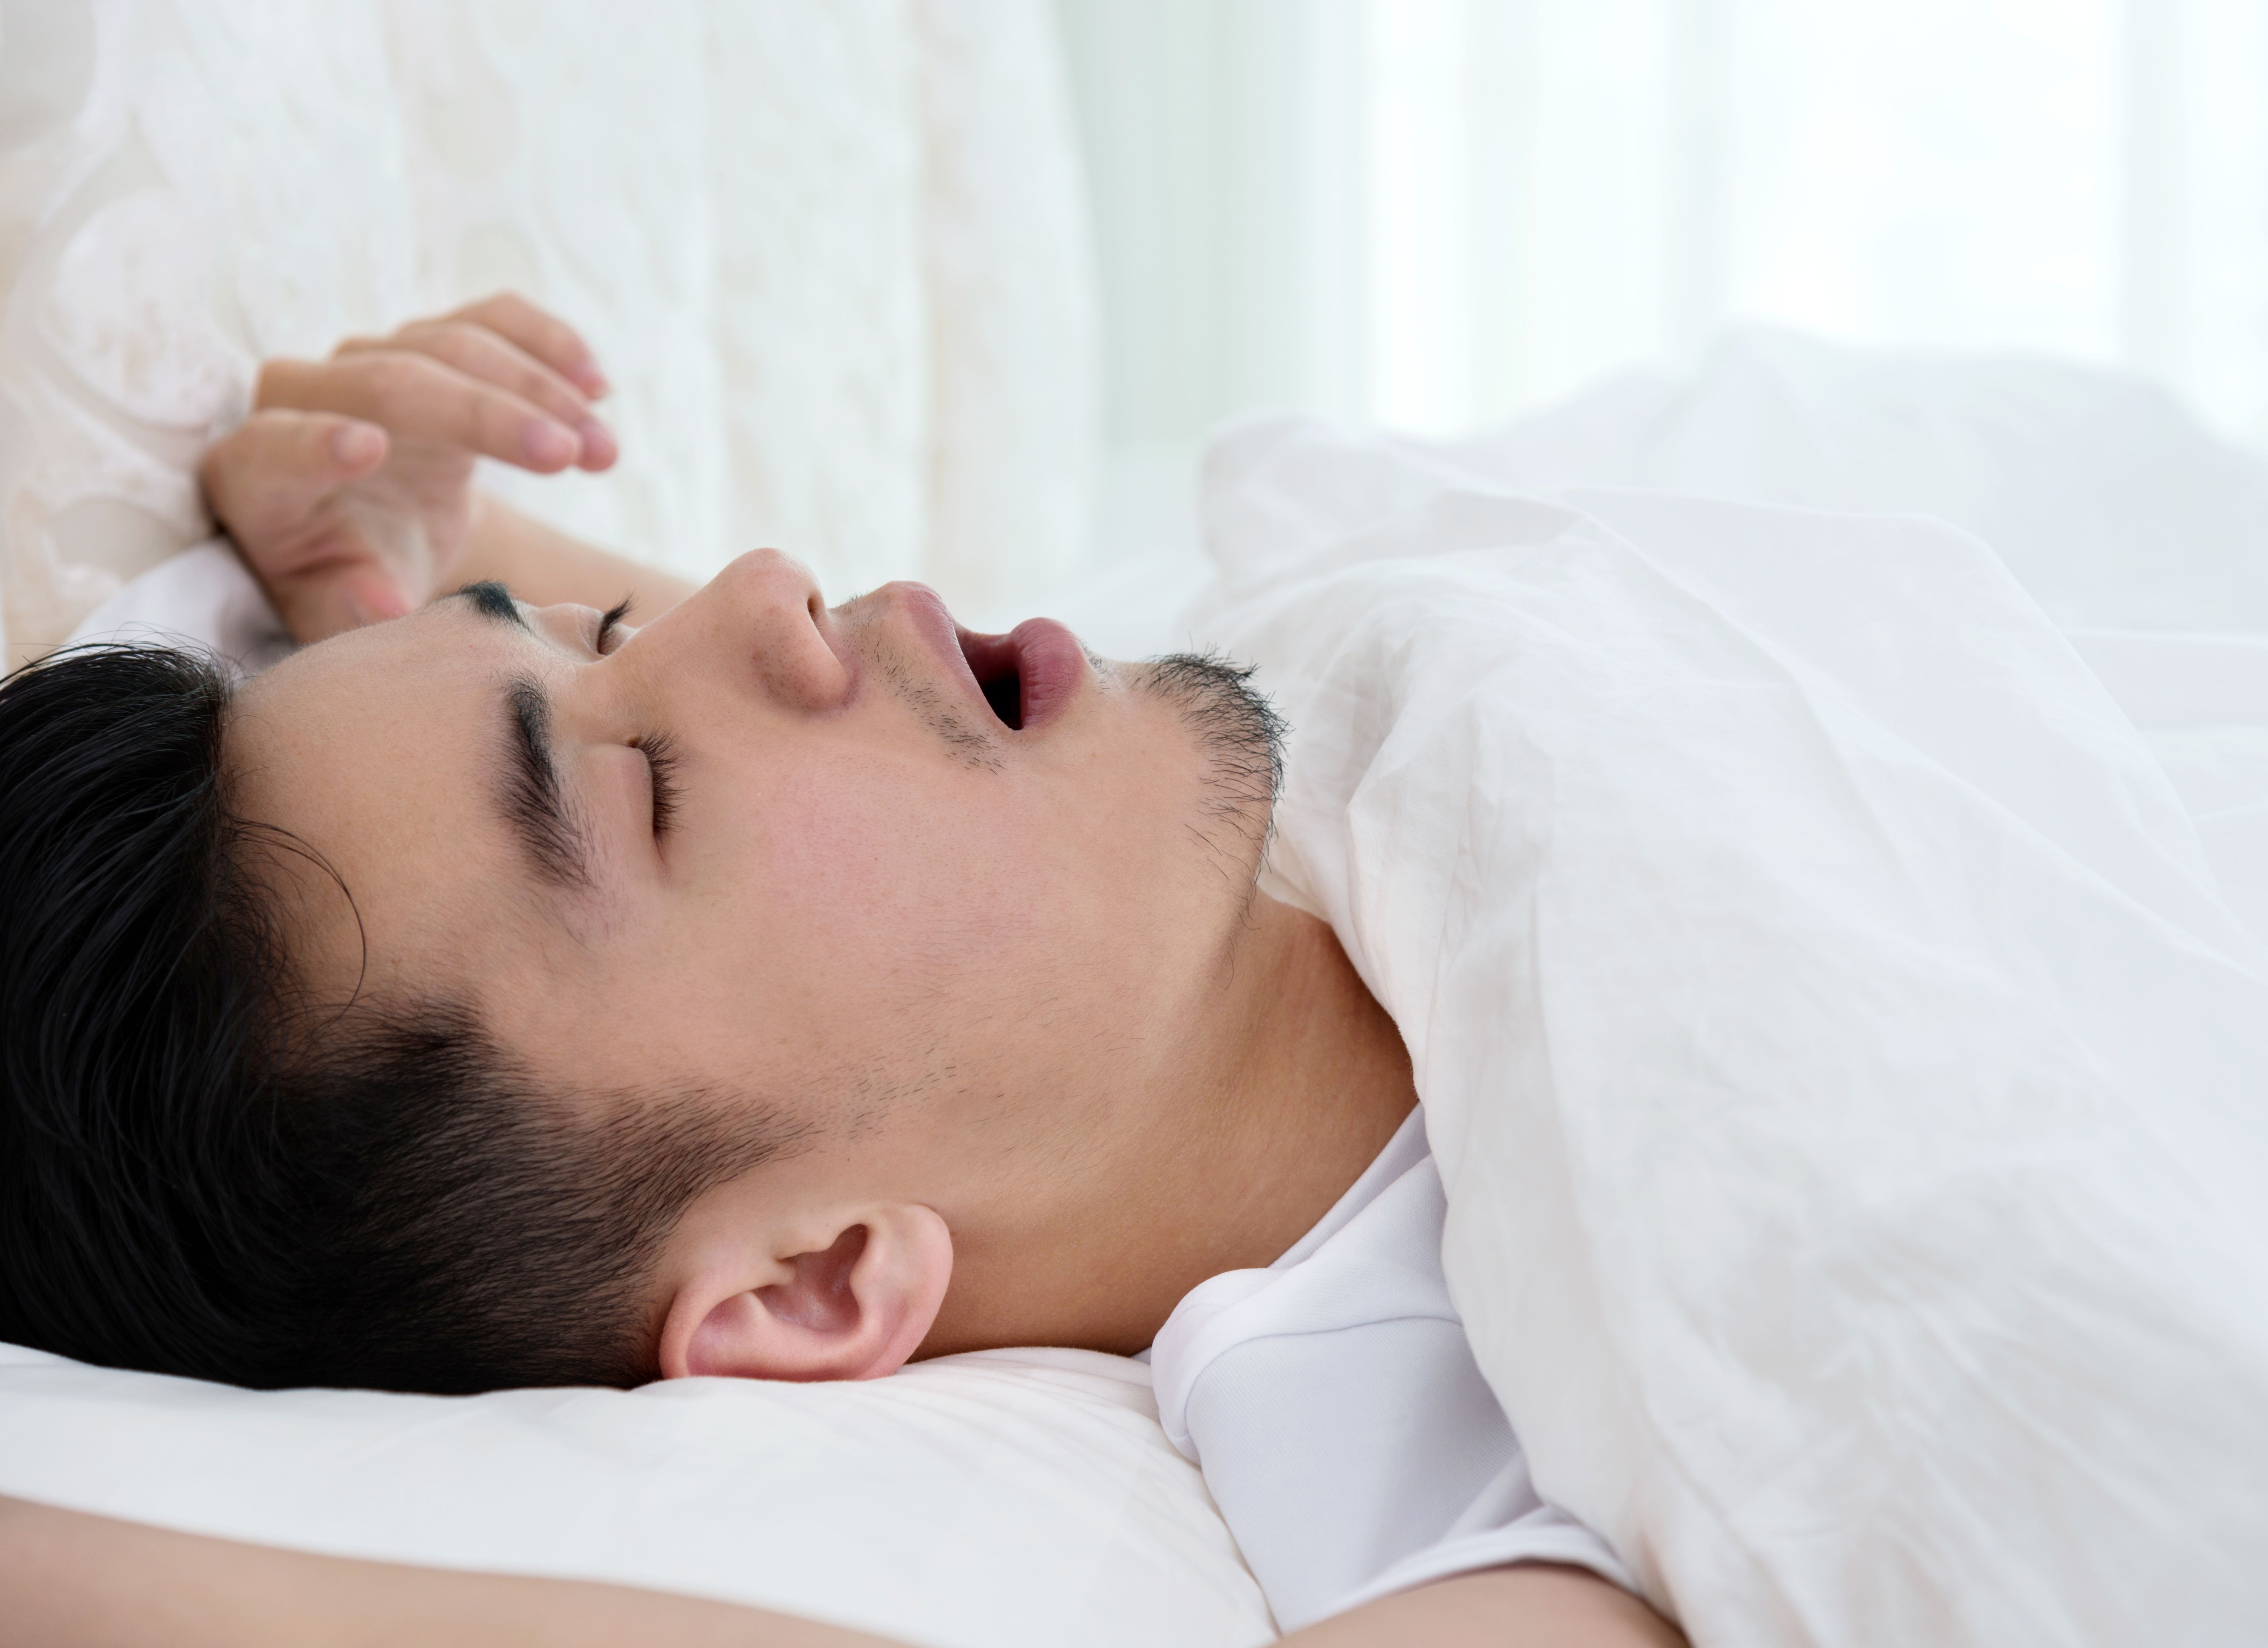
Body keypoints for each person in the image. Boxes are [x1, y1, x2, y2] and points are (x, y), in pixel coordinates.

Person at [0, 296, 1681, 1648]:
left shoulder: (1353, 699)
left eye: (596, 634)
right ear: (811, 1285)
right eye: (645, 788)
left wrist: (412, 542)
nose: (759, 589)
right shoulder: (1460, 1433)